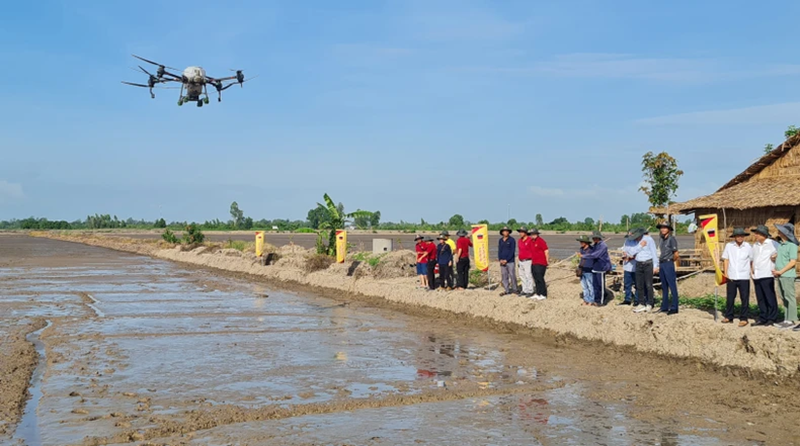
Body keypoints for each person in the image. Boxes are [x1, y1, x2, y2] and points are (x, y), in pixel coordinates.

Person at [722, 228, 753, 327]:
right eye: (738, 236)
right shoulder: (729, 246)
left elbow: (751, 260)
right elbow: (726, 260)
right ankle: (729, 316)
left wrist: (752, 272)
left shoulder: (748, 246)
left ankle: (744, 318)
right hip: (732, 275)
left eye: (742, 236)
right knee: (730, 297)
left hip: (744, 276)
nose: (740, 237)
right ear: (734, 237)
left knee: (744, 298)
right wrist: (725, 273)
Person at [750, 225, 779, 326]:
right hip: (757, 274)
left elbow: (782, 254)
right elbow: (753, 258)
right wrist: (752, 270)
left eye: (757, 233)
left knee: (769, 296)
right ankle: (763, 317)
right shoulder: (755, 245)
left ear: (763, 235)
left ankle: (772, 317)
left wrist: (776, 256)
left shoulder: (773, 244)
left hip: (767, 273)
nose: (756, 235)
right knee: (760, 297)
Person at [772, 223, 798, 330]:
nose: (778, 231)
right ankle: (786, 319)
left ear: (785, 233)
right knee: (783, 297)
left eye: (780, 230)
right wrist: (774, 258)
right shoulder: (782, 245)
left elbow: (792, 262)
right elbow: (783, 258)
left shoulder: (792, 245)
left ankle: (791, 320)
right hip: (781, 275)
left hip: (787, 275)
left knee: (789, 297)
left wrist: (780, 271)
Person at [627, 227, 659, 313]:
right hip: (638, 263)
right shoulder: (634, 242)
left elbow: (654, 252)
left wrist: (655, 265)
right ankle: (641, 303)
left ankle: (650, 303)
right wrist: (640, 246)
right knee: (639, 284)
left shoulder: (649, 239)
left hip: (648, 263)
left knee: (648, 284)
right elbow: (631, 252)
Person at [580, 231, 611, 306]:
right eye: (593, 238)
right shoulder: (596, 245)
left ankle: (601, 301)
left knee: (601, 285)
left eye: (595, 238)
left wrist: (584, 256)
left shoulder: (603, 246)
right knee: (595, 285)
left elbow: (595, 255)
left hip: (601, 267)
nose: (594, 239)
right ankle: (596, 300)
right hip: (595, 267)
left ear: (598, 238)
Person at [656, 221, 680, 315]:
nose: (662, 229)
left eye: (665, 227)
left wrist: (670, 261)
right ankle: (664, 306)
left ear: (669, 229)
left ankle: (674, 307)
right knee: (664, 286)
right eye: (661, 227)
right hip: (662, 263)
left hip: (668, 263)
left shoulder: (671, 239)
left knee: (672, 285)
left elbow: (676, 254)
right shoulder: (661, 239)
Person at [619, 230, 639, 306]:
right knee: (627, 284)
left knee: (637, 284)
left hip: (635, 266)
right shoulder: (626, 241)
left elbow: (639, 252)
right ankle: (627, 299)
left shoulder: (637, 242)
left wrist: (632, 257)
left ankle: (637, 300)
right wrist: (624, 255)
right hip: (627, 266)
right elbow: (624, 250)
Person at [529, 229, 549, 300]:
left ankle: (543, 294)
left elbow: (546, 251)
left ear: (537, 234)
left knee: (540, 278)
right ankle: (538, 293)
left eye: (534, 234)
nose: (532, 235)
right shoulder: (531, 241)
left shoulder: (541, 241)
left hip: (541, 263)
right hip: (534, 262)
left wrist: (547, 261)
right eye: (531, 234)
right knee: (535, 278)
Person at [497, 226, 517, 296]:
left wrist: (507, 260)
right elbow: (499, 251)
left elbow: (512, 251)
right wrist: (500, 259)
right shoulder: (500, 240)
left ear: (509, 232)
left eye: (507, 231)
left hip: (510, 261)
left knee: (512, 275)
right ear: (502, 232)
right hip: (502, 261)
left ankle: (515, 289)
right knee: (504, 276)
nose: (505, 232)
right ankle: (507, 290)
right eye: (504, 231)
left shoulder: (512, 240)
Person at [577, 235, 595, 306]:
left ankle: (591, 300)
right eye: (580, 241)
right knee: (584, 286)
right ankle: (586, 299)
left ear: (586, 242)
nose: (581, 243)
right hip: (582, 269)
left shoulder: (592, 249)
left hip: (589, 270)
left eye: (582, 242)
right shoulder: (581, 249)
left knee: (590, 285)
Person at [517, 227, 535, 297]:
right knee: (522, 276)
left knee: (528, 275)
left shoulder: (530, 240)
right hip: (521, 260)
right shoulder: (519, 241)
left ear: (525, 233)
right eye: (520, 232)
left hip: (528, 260)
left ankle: (530, 290)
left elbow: (533, 250)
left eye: (522, 232)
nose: (520, 233)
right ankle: (524, 290)